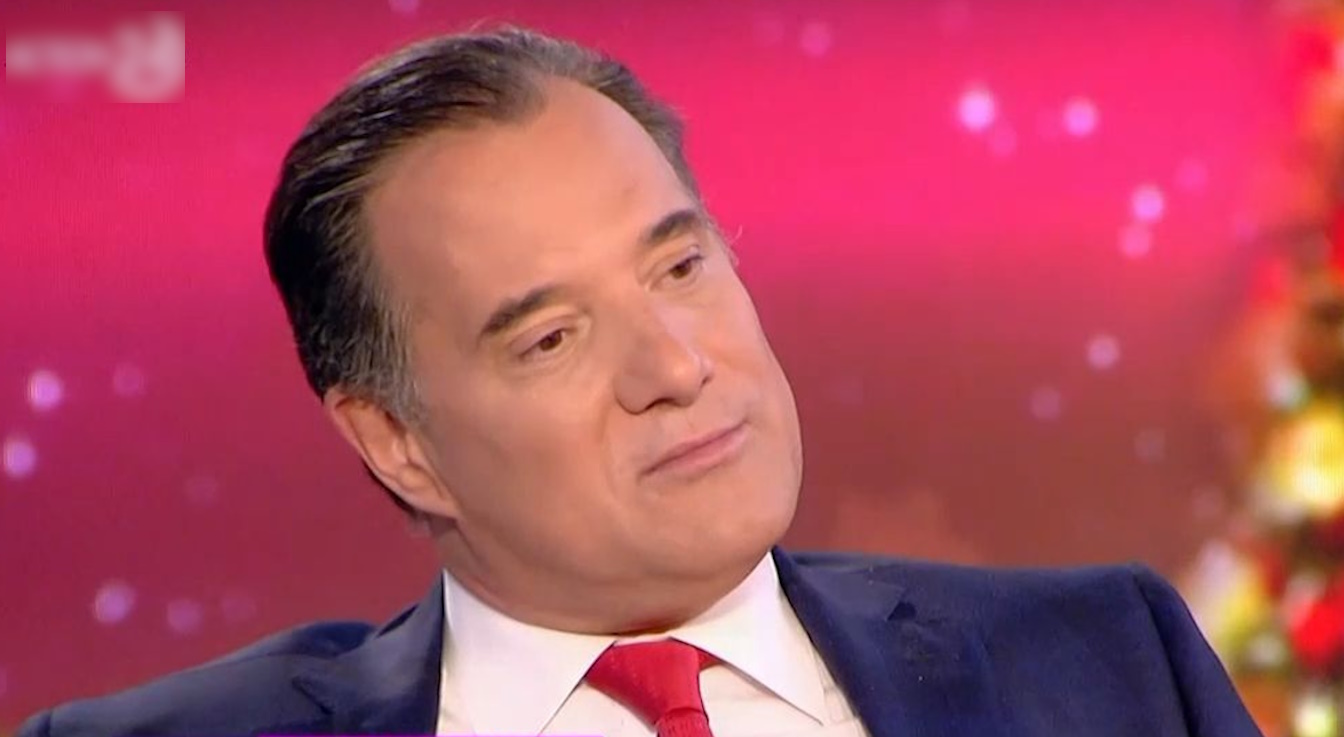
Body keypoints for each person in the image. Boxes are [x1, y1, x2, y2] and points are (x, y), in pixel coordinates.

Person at [19, 26, 1262, 737]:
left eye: (681, 265)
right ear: (397, 439)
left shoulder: (1110, 665)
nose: (677, 364)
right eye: (552, 337)